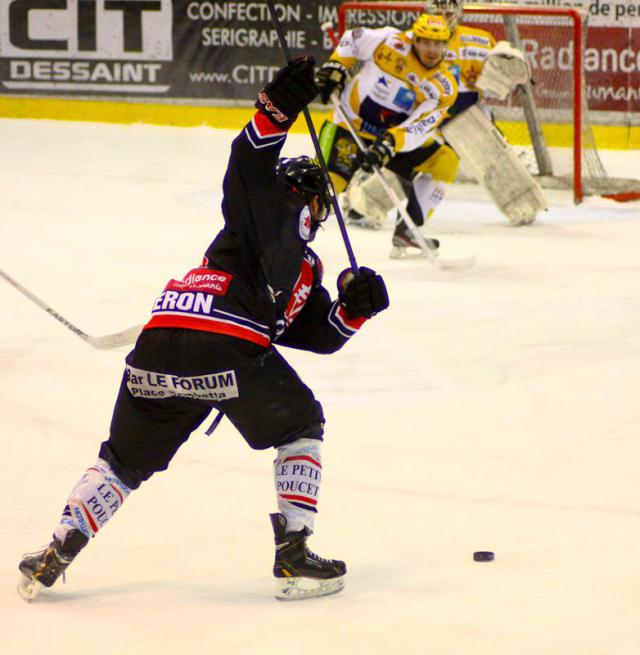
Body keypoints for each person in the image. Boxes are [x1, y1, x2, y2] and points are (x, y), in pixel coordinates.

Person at [17, 58, 389, 603]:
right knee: (302, 423)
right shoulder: (269, 218)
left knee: (121, 462)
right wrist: (276, 108)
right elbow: (247, 161)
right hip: (222, 348)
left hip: (156, 355)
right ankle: (293, 552)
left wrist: (356, 310)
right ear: (306, 201)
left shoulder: (292, 267)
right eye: (316, 202)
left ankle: (56, 552)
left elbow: (320, 333)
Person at [316, 13, 458, 256]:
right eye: (425, 42)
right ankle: (287, 237)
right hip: (349, 124)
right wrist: (338, 63)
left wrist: (390, 144)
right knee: (323, 190)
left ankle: (409, 230)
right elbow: (354, 38)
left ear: (446, 45)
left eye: (438, 44)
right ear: (415, 39)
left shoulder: (443, 86)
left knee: (446, 161)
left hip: (390, 140)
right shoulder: (391, 41)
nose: (432, 50)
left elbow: (420, 126)